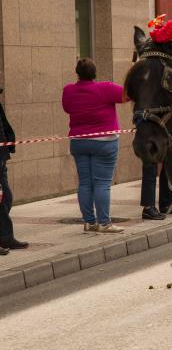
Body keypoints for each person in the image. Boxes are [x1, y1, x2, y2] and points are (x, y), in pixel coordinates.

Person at [61, 59, 127, 233]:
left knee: (84, 183)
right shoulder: (106, 88)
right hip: (105, 142)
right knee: (102, 184)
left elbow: (67, 108)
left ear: (77, 73)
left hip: (79, 142)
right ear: (94, 73)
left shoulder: (68, 90)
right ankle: (104, 223)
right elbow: (127, 96)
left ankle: (89, 223)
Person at [0, 90, 25, 254]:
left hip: (1, 156)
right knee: (3, 198)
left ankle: (5, 236)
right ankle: (5, 237)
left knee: (6, 197)